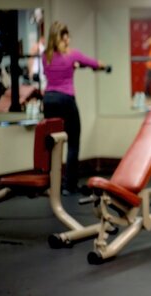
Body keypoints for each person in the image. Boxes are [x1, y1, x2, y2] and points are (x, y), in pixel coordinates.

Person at [42, 21, 107, 195]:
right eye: (68, 36)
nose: (69, 40)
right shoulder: (72, 55)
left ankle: (49, 183)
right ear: (64, 37)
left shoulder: (45, 56)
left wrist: (76, 66)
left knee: (52, 142)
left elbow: (55, 69)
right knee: (73, 142)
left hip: (48, 100)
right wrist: (103, 66)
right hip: (65, 100)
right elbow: (96, 63)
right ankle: (69, 185)